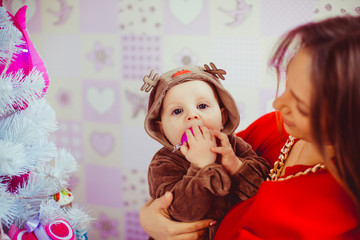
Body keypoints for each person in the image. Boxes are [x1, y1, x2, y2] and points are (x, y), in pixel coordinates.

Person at [139, 14, 360, 239]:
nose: (277, 105)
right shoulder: (273, 127)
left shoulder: (339, 203)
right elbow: (166, 196)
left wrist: (228, 166)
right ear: (160, 126)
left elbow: (256, 186)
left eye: (300, 102)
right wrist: (150, 218)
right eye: (286, 88)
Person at [140, 64, 270, 239]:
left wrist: (236, 166)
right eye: (177, 111)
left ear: (223, 117)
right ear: (161, 129)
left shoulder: (234, 146)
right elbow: (183, 214)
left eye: (202, 106)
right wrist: (202, 166)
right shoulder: (163, 163)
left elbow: (264, 190)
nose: (192, 115)